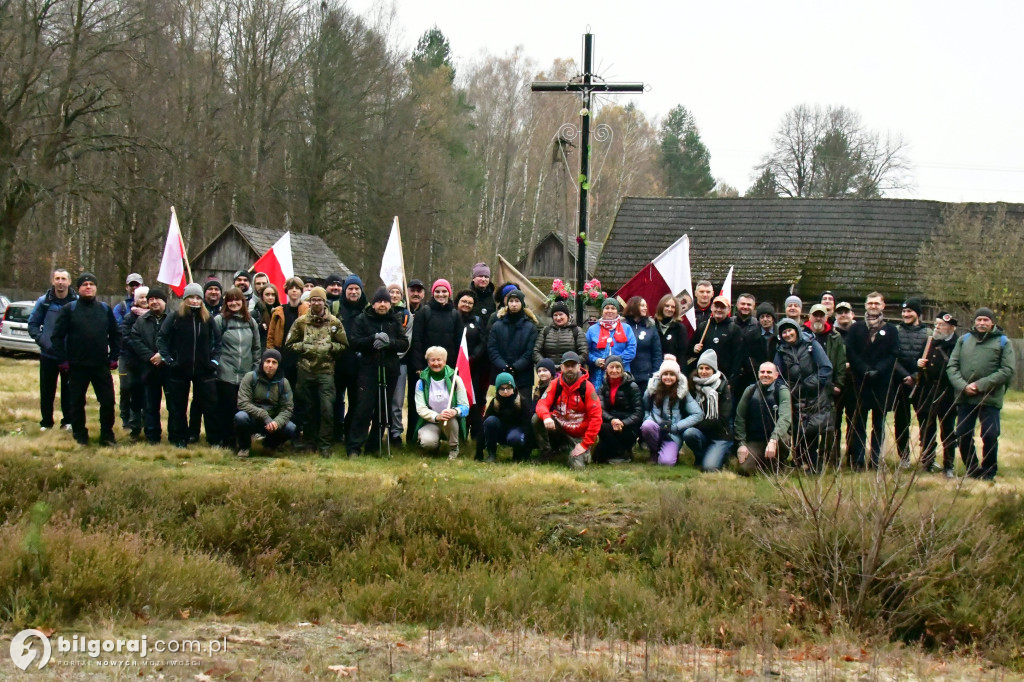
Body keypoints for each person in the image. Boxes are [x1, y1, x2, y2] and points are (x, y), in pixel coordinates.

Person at [50, 272, 120, 446]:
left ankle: (107, 436)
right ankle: (80, 435)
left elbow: (116, 334)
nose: (88, 287)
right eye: (84, 284)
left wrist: (114, 357)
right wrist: (62, 361)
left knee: (108, 401)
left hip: (100, 365)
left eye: (91, 284)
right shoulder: (70, 309)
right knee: (76, 402)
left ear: (96, 288)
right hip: (77, 366)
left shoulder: (104, 309)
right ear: (79, 288)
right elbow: (57, 337)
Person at [947, 308, 1016, 480]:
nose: (982, 323)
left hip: (989, 397)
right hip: (965, 397)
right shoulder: (964, 340)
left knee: (990, 435)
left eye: (986, 320)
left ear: (992, 322)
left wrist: (980, 385)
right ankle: (972, 468)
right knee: (962, 434)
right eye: (979, 320)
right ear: (974, 322)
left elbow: (1007, 370)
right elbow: (952, 366)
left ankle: (988, 471)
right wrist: (964, 386)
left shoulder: (1003, 342)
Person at [157, 282, 221, 448]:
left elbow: (218, 342)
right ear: (185, 299)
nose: (194, 301)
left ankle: (214, 439)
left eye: (198, 297)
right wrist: (170, 360)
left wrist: (213, 361)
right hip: (179, 369)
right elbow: (162, 339)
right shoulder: (175, 317)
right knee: (178, 406)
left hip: (204, 369)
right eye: (191, 297)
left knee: (210, 406)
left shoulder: (207, 319)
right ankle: (179, 438)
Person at [285, 286, 347, 457]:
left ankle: (325, 445)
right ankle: (309, 441)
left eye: (320, 300)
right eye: (313, 300)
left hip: (326, 372)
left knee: (327, 408)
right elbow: (289, 344)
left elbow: (344, 345)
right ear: (310, 302)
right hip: (305, 370)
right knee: (307, 407)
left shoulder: (334, 322)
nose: (317, 303)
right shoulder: (301, 322)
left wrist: (329, 347)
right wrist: (304, 346)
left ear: (324, 301)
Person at [346, 287, 408, 457]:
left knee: (383, 410)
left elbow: (404, 343)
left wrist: (389, 343)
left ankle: (374, 446)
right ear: (373, 304)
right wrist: (372, 339)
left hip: (390, 369)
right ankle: (354, 447)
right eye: (379, 301)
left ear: (390, 304)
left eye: (385, 301)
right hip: (367, 369)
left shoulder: (395, 320)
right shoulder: (362, 318)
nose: (382, 305)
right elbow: (354, 342)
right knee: (363, 409)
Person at [846, 292, 900, 469]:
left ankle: (876, 460)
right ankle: (859, 460)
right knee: (859, 424)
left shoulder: (891, 330)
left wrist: (878, 370)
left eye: (877, 303)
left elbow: (893, 353)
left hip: (881, 383)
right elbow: (851, 352)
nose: (873, 306)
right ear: (865, 305)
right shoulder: (856, 328)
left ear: (883, 305)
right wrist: (865, 370)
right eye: (870, 303)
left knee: (879, 425)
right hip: (860, 383)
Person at [774, 317, 833, 472]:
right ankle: (799, 461)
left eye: (790, 330)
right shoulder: (780, 350)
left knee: (812, 430)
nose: (787, 334)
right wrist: (787, 390)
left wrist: (809, 384)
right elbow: (777, 375)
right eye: (784, 332)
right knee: (797, 430)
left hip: (815, 396)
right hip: (794, 396)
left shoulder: (811, 344)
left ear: (796, 330)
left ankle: (814, 464)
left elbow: (826, 368)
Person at [534, 351, 602, 469]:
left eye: (573, 365)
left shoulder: (587, 387)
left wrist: (585, 444)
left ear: (579, 367)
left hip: (579, 434)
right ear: (561, 367)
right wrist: (546, 417)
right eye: (567, 365)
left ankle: (581, 451)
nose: (570, 368)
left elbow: (596, 418)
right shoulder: (555, 384)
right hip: (560, 428)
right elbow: (541, 404)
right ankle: (547, 452)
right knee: (536, 419)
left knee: (577, 467)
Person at [28, 268, 77, 431]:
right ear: (53, 281)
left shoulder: (77, 302)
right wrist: (44, 342)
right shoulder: (44, 302)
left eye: (64, 279)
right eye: (57, 278)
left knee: (69, 390)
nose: (60, 282)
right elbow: (33, 325)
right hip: (48, 354)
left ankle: (68, 421)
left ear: (69, 282)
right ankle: (46, 423)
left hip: (69, 355)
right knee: (47, 390)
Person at [214, 287, 262, 450]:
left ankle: (242, 441)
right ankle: (227, 441)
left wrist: (256, 369)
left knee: (242, 409)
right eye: (230, 300)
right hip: (225, 374)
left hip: (246, 375)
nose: (234, 303)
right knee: (226, 409)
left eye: (237, 300)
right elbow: (214, 345)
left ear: (243, 302)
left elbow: (256, 348)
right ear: (226, 303)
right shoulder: (220, 321)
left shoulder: (250, 322)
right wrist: (217, 366)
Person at [917, 312, 959, 476]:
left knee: (947, 430)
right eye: (936, 324)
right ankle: (927, 461)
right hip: (927, 390)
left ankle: (948, 465)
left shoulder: (957, 344)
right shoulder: (929, 342)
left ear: (951, 327)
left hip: (947, 392)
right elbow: (918, 359)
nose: (937, 327)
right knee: (927, 429)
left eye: (941, 324)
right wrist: (918, 363)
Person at [805, 304, 847, 466]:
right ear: (809, 317)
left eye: (821, 315)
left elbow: (841, 362)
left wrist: (839, 383)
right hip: (808, 388)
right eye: (815, 315)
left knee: (830, 425)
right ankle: (809, 458)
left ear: (826, 317)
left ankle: (828, 457)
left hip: (828, 388)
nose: (818, 318)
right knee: (809, 425)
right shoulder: (803, 334)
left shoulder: (835, 337)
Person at [640, 356, 702, 466]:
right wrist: (648, 418)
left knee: (666, 463)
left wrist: (677, 426)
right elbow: (645, 408)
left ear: (677, 377)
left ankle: (671, 453)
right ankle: (654, 452)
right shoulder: (651, 389)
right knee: (646, 425)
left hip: (672, 433)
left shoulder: (683, 392)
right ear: (661, 375)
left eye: (672, 374)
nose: (668, 377)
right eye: (665, 374)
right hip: (655, 428)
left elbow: (698, 414)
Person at [234, 349, 297, 457]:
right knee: (240, 417)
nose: (270, 365)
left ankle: (269, 445)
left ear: (278, 365)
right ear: (262, 362)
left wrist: (277, 422)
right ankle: (244, 447)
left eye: (274, 362)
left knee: (291, 428)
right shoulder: (250, 377)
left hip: (273, 422)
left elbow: (288, 408)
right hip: (253, 418)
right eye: (267, 361)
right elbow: (243, 402)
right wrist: (263, 415)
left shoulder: (283, 383)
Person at [892, 298, 931, 467]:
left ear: (918, 314)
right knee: (901, 422)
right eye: (904, 311)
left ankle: (928, 458)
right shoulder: (896, 332)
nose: (906, 314)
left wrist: (915, 377)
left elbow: (930, 358)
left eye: (910, 311)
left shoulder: (928, 334)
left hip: (922, 384)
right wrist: (905, 376)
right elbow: (892, 357)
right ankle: (904, 457)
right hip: (900, 383)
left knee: (926, 421)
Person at [127, 287, 169, 444]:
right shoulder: (141, 321)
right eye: (151, 299)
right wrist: (150, 356)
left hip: (169, 368)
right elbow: (135, 339)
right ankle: (152, 436)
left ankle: (175, 435)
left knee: (174, 405)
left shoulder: (173, 318)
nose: (153, 302)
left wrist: (163, 355)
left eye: (157, 299)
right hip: (149, 368)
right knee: (151, 405)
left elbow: (177, 340)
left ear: (164, 301)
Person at [735, 362, 793, 475]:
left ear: (776, 375)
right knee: (744, 470)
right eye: (762, 372)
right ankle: (762, 461)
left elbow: (785, 418)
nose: (765, 375)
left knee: (784, 438)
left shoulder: (782, 391)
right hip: (756, 439)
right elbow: (739, 418)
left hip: (777, 439)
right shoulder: (750, 391)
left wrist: (773, 440)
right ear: (758, 374)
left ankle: (779, 462)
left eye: (769, 372)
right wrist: (741, 444)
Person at [414, 345, 470, 458]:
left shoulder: (456, 379)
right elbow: (421, 408)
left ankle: (454, 448)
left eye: (439, 360)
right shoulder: (421, 382)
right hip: (431, 421)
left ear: (445, 361)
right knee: (427, 443)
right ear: (428, 362)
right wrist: (437, 416)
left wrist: (455, 411)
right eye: (432, 360)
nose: (436, 363)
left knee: (449, 418)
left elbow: (465, 406)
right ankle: (433, 445)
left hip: (451, 421)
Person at [684, 349, 732, 472]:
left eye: (707, 368)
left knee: (709, 468)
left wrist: (697, 423)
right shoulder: (693, 385)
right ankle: (700, 456)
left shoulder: (722, 387)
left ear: (714, 370)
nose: (703, 372)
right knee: (689, 433)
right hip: (702, 432)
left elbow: (723, 418)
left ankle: (723, 454)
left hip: (720, 435)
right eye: (701, 368)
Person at [487, 288, 539, 401]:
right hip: (502, 374)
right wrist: (503, 366)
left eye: (517, 301)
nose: (514, 304)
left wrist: (516, 367)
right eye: (511, 301)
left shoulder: (531, 327)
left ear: (522, 303)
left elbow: (530, 352)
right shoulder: (497, 325)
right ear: (507, 303)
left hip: (523, 376)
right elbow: (492, 348)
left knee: (524, 409)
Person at [593, 355, 644, 463]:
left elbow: (639, 412)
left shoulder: (632, 386)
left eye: (618, 367)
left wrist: (623, 423)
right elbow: (600, 409)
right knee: (597, 458)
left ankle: (624, 454)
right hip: (610, 424)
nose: (614, 370)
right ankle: (620, 452)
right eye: (611, 367)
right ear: (606, 369)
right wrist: (612, 420)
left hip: (628, 427)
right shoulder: (603, 386)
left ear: (622, 369)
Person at [455, 289, 488, 457]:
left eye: (470, 302)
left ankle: (476, 437)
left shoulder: (477, 321)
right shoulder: (452, 318)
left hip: (473, 369)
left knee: (473, 403)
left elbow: (483, 341)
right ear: (457, 302)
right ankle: (457, 436)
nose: (466, 305)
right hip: (454, 367)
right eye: (464, 301)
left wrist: (473, 357)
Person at [336, 274, 367, 442]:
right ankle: (336, 432)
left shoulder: (367, 309)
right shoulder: (336, 308)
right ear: (345, 290)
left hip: (360, 365)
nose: (353, 292)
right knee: (336, 400)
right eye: (350, 289)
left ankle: (350, 433)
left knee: (356, 402)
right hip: (339, 363)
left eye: (357, 289)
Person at [117, 286, 149, 439]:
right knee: (133, 394)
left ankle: (149, 427)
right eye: (140, 297)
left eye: (146, 297)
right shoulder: (130, 317)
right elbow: (125, 336)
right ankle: (134, 427)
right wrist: (140, 349)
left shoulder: (156, 316)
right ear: (136, 300)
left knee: (148, 396)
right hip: (133, 362)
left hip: (150, 363)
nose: (143, 300)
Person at [412, 279, 462, 373]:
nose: (440, 294)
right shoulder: (424, 312)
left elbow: (458, 342)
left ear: (449, 293)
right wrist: (418, 365)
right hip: (427, 364)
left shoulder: (455, 314)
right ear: (433, 293)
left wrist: (457, 366)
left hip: (449, 365)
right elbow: (417, 340)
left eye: (444, 291)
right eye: (437, 291)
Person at [480, 372, 532, 463]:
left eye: (508, 388)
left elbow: (527, 426)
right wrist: (479, 449)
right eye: (502, 389)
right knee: (490, 421)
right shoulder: (495, 402)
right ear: (497, 390)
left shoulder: (521, 401)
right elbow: (485, 423)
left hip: (516, 433)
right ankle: (491, 454)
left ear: (513, 388)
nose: (505, 391)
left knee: (515, 437)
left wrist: (527, 451)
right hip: (500, 432)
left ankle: (517, 456)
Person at [586, 299, 636, 390]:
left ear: (617, 311)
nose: (610, 310)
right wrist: (595, 360)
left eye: (613, 308)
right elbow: (586, 350)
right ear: (602, 311)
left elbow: (631, 349)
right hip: (598, 374)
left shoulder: (627, 328)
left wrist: (615, 363)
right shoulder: (592, 330)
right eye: (607, 308)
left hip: (622, 372)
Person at [688, 296, 740, 381]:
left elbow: (737, 358)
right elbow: (690, 351)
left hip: (723, 378)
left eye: (722, 307)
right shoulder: (703, 327)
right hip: (703, 376)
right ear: (712, 307)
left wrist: (731, 381)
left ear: (728, 309)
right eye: (716, 306)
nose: (719, 310)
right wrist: (694, 349)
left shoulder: (734, 329)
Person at [401, 278, 427, 444]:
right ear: (407, 291)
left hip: (418, 363)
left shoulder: (426, 312)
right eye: (413, 290)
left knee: (417, 399)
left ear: (423, 294)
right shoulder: (400, 311)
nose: (416, 293)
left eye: (419, 291)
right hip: (400, 360)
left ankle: (414, 435)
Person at [735, 302, 777, 400]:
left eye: (768, 316)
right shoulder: (750, 336)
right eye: (762, 317)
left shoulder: (780, 335)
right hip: (755, 378)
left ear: (773, 318)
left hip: (777, 377)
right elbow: (744, 358)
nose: (765, 319)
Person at [387, 283, 412, 446]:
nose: (394, 295)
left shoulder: (406, 315)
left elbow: (407, 340)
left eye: (397, 293)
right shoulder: (379, 311)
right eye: (391, 292)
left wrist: (394, 355)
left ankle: (396, 432)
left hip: (399, 362)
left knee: (397, 400)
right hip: (380, 362)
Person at [831, 301, 857, 461]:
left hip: (854, 382)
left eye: (846, 312)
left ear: (852, 314)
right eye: (840, 312)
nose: (843, 315)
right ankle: (833, 455)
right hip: (835, 382)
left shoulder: (859, 331)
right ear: (835, 315)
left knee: (853, 420)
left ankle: (852, 455)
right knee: (834, 420)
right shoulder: (832, 333)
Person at [623, 296, 663, 387]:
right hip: (626, 375)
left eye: (646, 305)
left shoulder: (651, 327)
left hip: (646, 376)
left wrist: (655, 374)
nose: (645, 308)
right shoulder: (622, 326)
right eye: (642, 305)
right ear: (633, 307)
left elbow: (657, 353)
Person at [533, 301, 588, 366]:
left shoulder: (576, 331)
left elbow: (584, 353)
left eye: (561, 314)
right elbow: (536, 352)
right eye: (555, 315)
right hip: (549, 372)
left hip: (570, 371)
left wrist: (569, 365)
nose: (558, 318)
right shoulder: (545, 331)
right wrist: (546, 365)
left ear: (567, 315)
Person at [654, 294, 689, 364]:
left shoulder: (680, 328)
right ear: (661, 307)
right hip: (655, 369)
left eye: (673, 307)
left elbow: (683, 355)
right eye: (667, 306)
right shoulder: (652, 326)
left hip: (672, 371)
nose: (670, 309)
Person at [253, 283, 279, 349]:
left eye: (273, 295)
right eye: (267, 295)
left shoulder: (280, 313)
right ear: (262, 296)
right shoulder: (255, 314)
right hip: (261, 350)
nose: (270, 297)